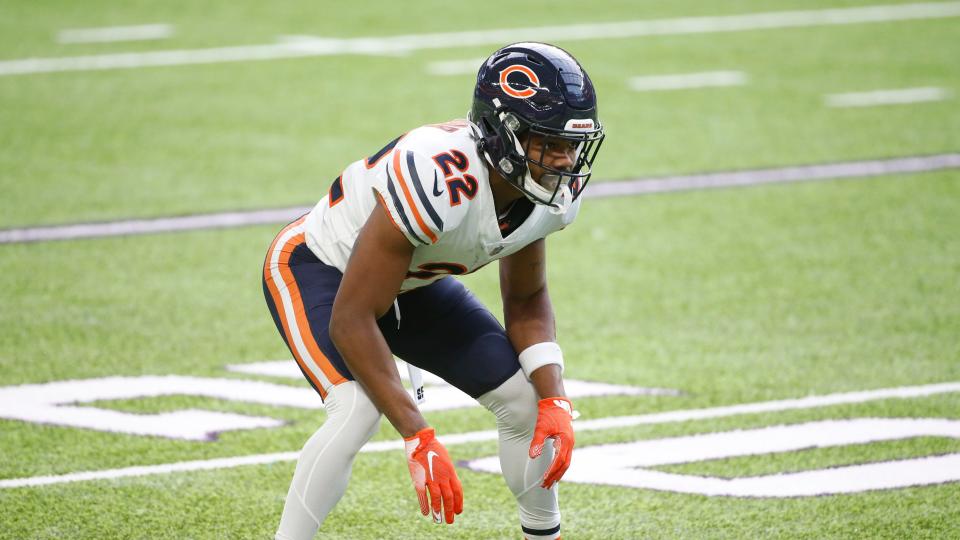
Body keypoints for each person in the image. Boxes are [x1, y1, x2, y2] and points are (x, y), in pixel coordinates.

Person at [262, 41, 604, 540]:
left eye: (571, 144)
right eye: (546, 142)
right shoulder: (440, 174)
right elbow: (352, 318)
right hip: (319, 267)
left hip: (414, 285)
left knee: (528, 407)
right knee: (357, 411)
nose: (563, 159)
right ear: (501, 133)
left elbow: (527, 300)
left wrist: (555, 398)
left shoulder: (550, 193)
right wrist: (417, 434)